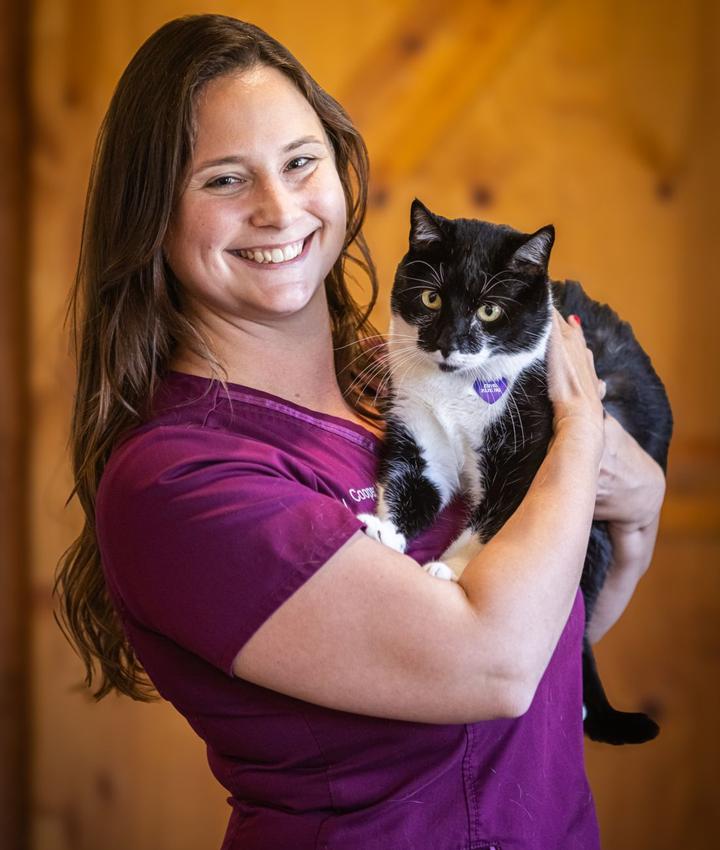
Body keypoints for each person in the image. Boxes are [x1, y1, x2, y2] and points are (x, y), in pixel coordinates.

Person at [55, 14, 666, 850]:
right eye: (224, 181)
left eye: (301, 163)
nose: (278, 209)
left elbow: (547, 642)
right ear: (151, 215)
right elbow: (496, 662)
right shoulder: (179, 478)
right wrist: (581, 427)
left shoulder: (407, 382)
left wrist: (639, 512)